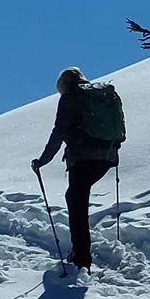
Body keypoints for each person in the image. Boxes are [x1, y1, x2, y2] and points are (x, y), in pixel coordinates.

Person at [31, 67, 122, 270]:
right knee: (76, 197)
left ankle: (81, 258)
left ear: (63, 84)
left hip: (82, 158)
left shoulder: (71, 97)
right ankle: (81, 253)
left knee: (76, 203)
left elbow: (59, 131)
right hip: (107, 157)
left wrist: (42, 160)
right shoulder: (97, 95)